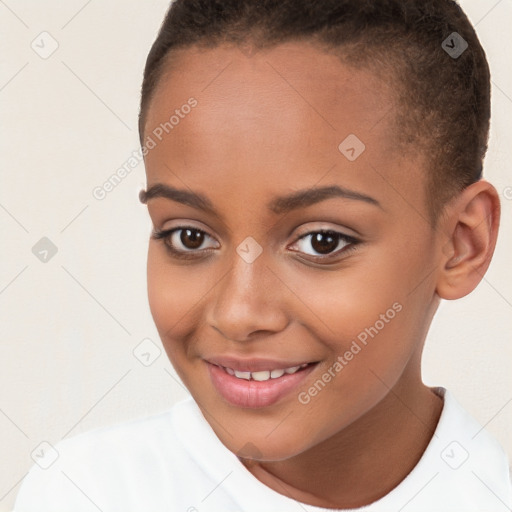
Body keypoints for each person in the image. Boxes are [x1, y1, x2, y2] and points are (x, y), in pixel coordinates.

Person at [14, 0, 512, 510]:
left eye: (322, 241)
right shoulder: (79, 494)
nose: (238, 313)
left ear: (461, 244)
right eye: (188, 236)